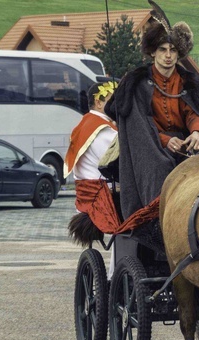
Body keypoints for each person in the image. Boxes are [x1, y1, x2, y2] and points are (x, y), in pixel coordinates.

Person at [105, 0, 199, 220]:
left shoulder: (189, 81)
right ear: (153, 52)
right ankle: (158, 220)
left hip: (186, 144)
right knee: (160, 166)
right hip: (150, 146)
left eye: (172, 50)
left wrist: (198, 132)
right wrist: (165, 141)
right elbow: (138, 124)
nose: (168, 55)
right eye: (162, 49)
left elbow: (194, 112)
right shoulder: (137, 83)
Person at [64, 81, 119, 275]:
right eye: (113, 101)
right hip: (104, 195)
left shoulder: (86, 123)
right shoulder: (102, 129)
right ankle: (117, 276)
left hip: (95, 191)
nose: (118, 106)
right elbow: (120, 163)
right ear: (98, 102)